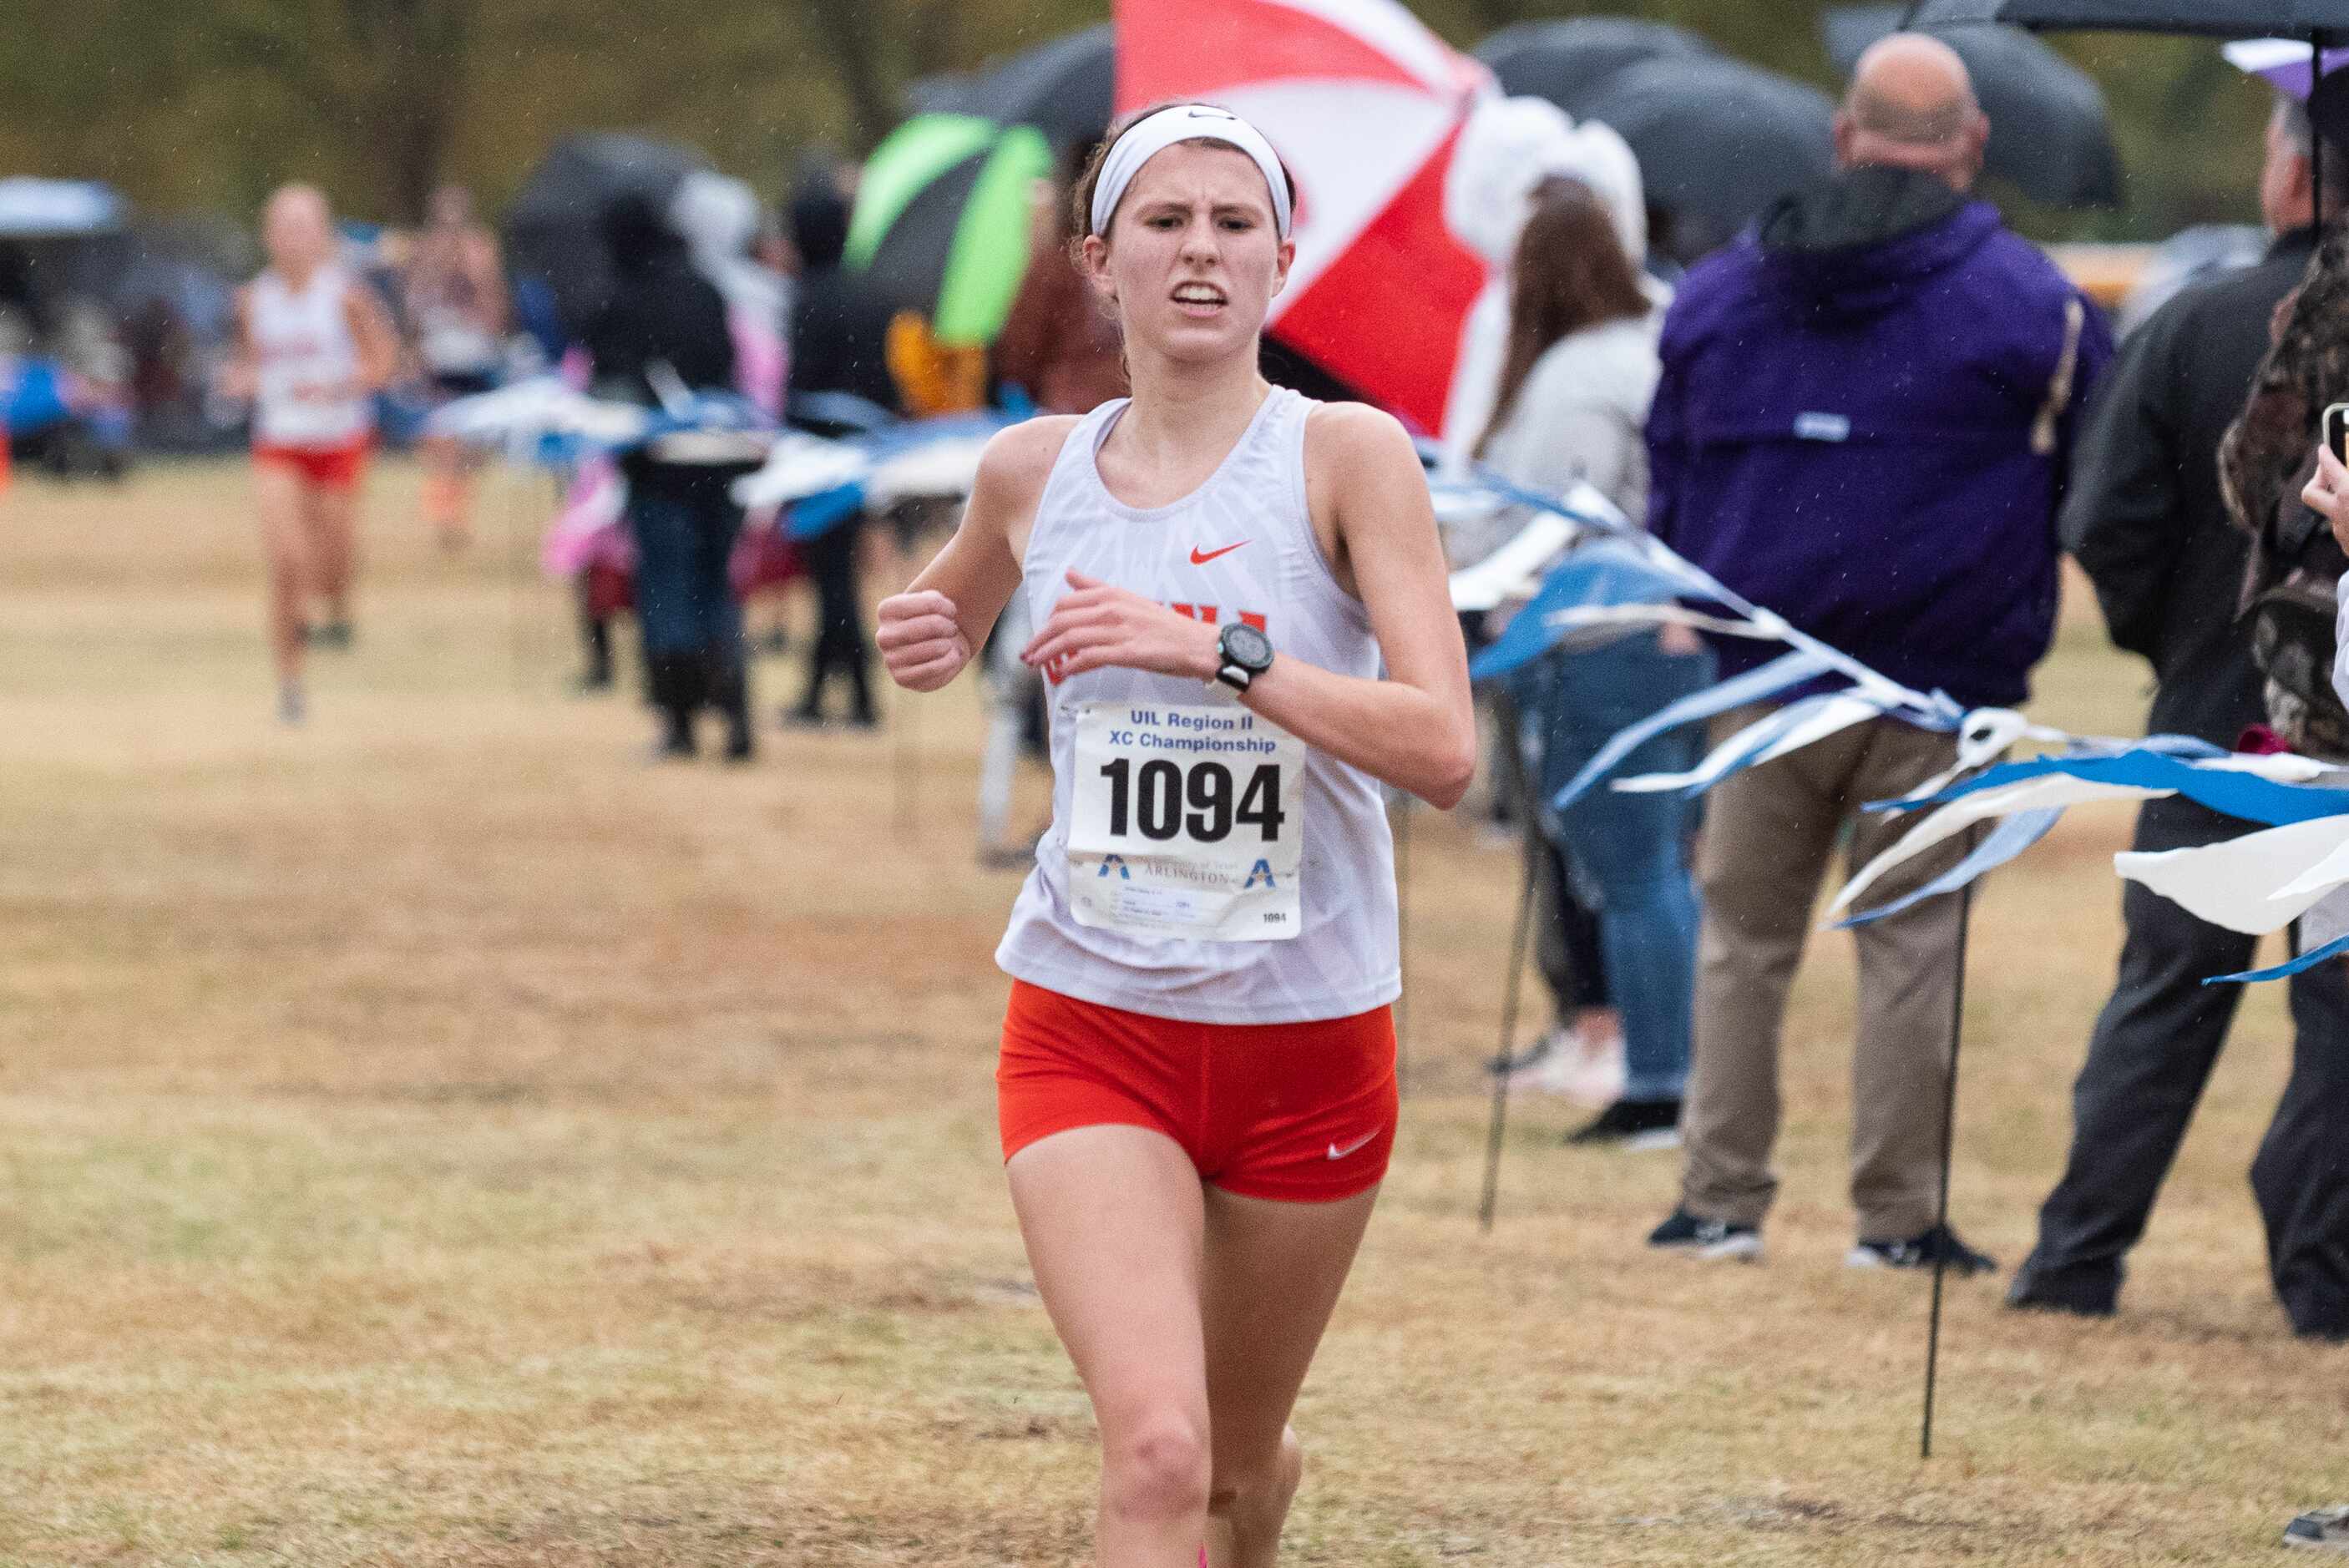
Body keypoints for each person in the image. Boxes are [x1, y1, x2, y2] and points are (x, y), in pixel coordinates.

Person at [874, 102, 1473, 1567]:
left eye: (1229, 224)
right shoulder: (1032, 470)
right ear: (1099, 257)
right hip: (1092, 1022)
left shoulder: (1344, 457)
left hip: (1307, 1032)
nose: (1198, 251)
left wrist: (1221, 650)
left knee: (1233, 1468)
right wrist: (929, 629)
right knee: (1154, 1454)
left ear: (1280, 257)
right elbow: (950, 601)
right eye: (1163, 222)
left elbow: (1444, 746)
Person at [1640, 35, 2112, 1267]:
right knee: (1912, 949)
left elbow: (1669, 467)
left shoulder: (1717, 293)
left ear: (1842, 136)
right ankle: (1895, 1219)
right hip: (1936, 685)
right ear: (1968, 146)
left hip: (1759, 678)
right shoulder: (2034, 302)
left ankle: (1716, 1199)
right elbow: (2094, 477)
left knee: (1741, 945)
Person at [2006, 92, 2349, 1336]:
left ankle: (2076, 1255)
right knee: (2339, 1022)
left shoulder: (2192, 319)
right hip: (2313, 732)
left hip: (2214, 714)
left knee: (2164, 991)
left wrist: (2183, 641)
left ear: (2296, 177)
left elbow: (2104, 519)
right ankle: (2325, 1279)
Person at [1477, 177, 1713, 1147]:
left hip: (1594, 643)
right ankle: (1673, 1069)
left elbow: (1557, 524)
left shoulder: (1575, 376)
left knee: (1630, 874)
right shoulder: (1645, 349)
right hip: (1653, 635)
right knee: (1654, 869)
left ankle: (1657, 1081)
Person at [581, 191, 755, 761]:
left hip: (657, 470)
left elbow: (607, 392)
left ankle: (679, 724)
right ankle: (735, 714)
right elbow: (729, 365)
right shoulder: (705, 290)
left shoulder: (619, 301)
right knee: (716, 586)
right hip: (722, 458)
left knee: (665, 592)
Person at [219, 185, 399, 725]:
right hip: (279, 441)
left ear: (322, 236)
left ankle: (339, 608)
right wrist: (242, 381)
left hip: (338, 440)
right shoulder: (252, 299)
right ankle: (291, 682)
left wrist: (346, 385)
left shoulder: (346, 296)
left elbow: (384, 360)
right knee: (286, 562)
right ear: (267, 236)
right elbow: (249, 363)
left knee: (333, 561)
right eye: (283, 227)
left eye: (304, 227)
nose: (293, 239)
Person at [783, 175, 896, 730]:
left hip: (817, 454)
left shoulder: (806, 297)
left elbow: (798, 385)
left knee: (832, 580)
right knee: (837, 576)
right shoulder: (869, 293)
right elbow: (884, 381)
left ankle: (858, 699)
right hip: (865, 451)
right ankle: (825, 693)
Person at [403, 184, 507, 552]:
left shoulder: (481, 251)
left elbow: (495, 304)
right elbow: (413, 305)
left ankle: (457, 506)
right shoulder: (423, 253)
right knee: (443, 442)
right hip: (439, 356)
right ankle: (448, 518)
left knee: (475, 447)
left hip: (475, 355)